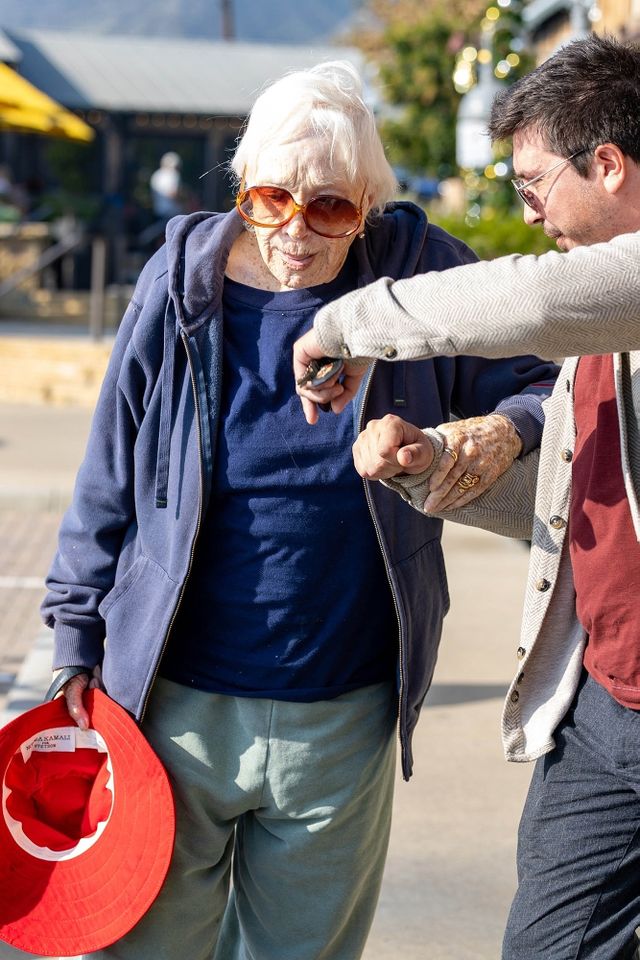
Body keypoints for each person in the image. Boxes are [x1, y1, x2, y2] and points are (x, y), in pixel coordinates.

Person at [41, 61, 556, 960]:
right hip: (171, 704)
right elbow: (108, 472)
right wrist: (74, 641)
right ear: (242, 190)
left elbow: (548, 385)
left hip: (341, 710)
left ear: (367, 206)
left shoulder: (421, 276)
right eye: (271, 200)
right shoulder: (180, 286)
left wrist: (475, 439)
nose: (295, 230)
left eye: (330, 208)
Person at [294, 34, 640, 960]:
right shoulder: (602, 330)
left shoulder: (610, 292)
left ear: (606, 164)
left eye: (532, 186)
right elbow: (570, 502)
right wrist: (436, 466)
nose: (527, 216)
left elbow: (523, 300)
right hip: (605, 708)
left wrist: (351, 323)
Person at [149, 150, 184, 221]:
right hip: (171, 213)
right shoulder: (173, 174)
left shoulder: (156, 175)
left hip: (158, 212)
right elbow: (173, 193)